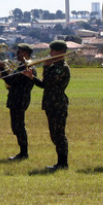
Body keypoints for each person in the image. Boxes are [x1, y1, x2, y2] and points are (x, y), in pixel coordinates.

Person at [28, 40, 70, 170]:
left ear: (61, 52)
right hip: (51, 103)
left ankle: (63, 163)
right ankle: (60, 162)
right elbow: (44, 85)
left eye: (53, 51)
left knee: (59, 134)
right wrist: (31, 77)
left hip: (58, 104)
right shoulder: (53, 67)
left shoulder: (61, 67)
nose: (50, 53)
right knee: (54, 133)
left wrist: (46, 66)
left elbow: (49, 81)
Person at [0, 43, 36, 160]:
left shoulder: (27, 67)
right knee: (16, 126)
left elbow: (11, 80)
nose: (17, 54)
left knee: (19, 126)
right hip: (16, 98)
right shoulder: (21, 66)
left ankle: (24, 153)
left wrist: (2, 68)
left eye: (19, 52)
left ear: (25, 53)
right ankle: (23, 152)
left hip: (20, 99)